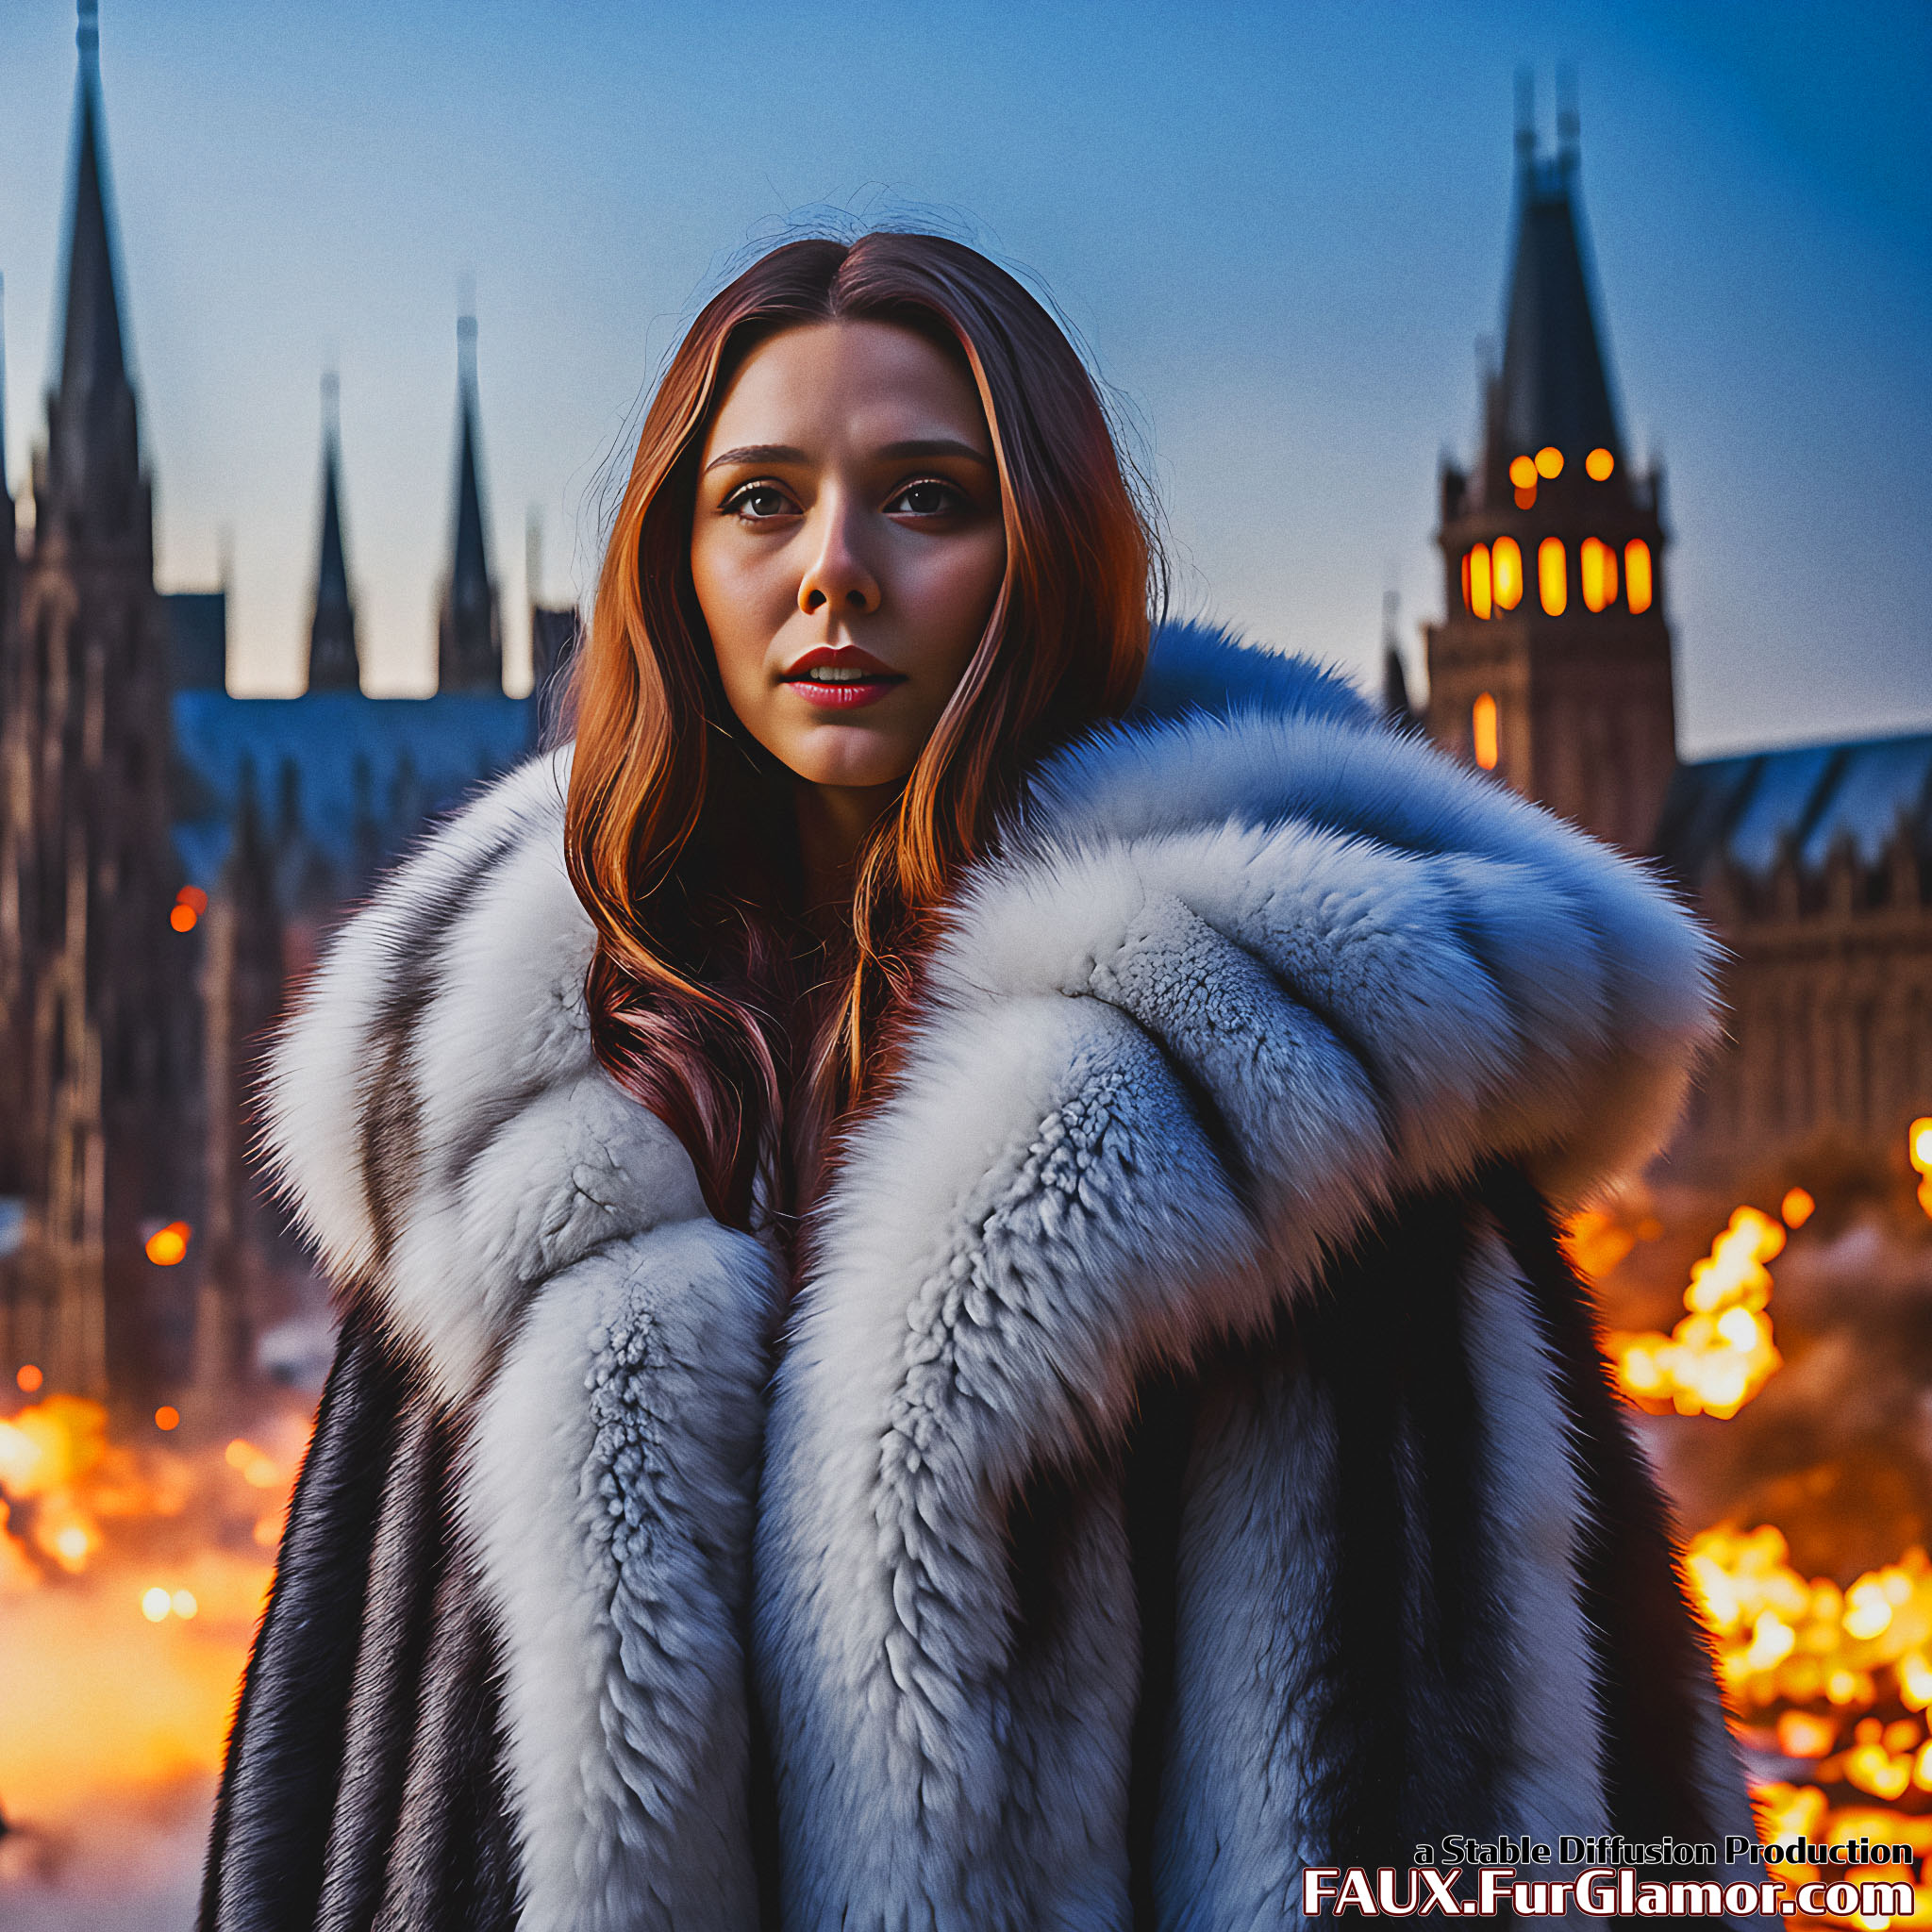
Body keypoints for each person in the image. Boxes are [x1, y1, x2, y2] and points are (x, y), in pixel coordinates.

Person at [199, 233, 1755, 1932]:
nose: (834, 571)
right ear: (672, 568)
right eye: (761, 501)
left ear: (1047, 555)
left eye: (926, 498)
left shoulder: (1301, 1120)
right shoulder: (506, 1137)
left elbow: (1526, 1837)